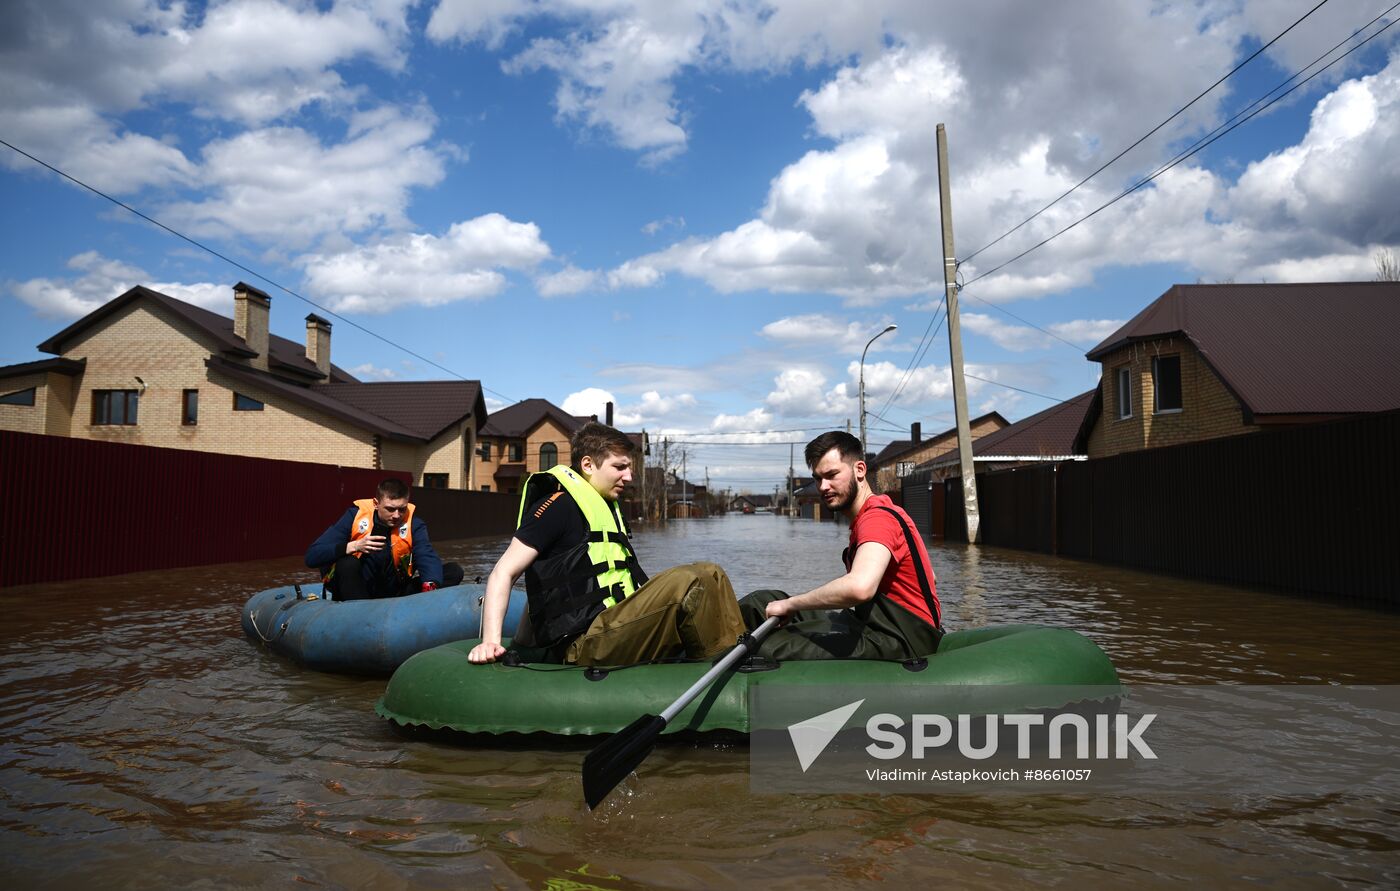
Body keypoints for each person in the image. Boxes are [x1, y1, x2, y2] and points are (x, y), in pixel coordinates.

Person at [468, 422, 745, 666]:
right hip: (584, 642)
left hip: (616, 627)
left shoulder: (608, 509)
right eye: (620, 467)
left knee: (711, 572)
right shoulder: (557, 507)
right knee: (688, 580)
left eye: (629, 468)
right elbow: (502, 572)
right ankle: (725, 668)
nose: (629, 476)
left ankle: (738, 650)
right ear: (588, 465)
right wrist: (490, 642)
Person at [738, 430, 944, 660]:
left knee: (769, 646)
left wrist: (792, 604)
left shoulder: (877, 519)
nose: (823, 486)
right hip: (873, 626)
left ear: (859, 470)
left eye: (832, 474)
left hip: (901, 639)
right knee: (762, 601)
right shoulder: (874, 514)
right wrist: (789, 605)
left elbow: (859, 587)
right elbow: (930, 577)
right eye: (817, 478)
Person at [305, 477, 463, 600]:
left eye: (402, 509)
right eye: (390, 509)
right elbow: (312, 557)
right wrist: (354, 546)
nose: (396, 516)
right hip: (357, 586)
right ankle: (358, 613)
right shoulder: (354, 517)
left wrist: (430, 584)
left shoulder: (415, 524)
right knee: (347, 563)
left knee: (453, 571)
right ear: (376, 503)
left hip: (394, 589)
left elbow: (425, 554)